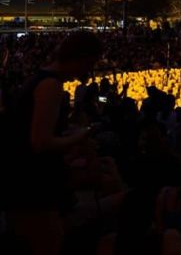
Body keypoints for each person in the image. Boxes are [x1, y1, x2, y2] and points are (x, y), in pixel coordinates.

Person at [3, 31, 103, 255]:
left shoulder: (40, 79)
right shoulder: (51, 86)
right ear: (82, 57)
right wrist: (83, 135)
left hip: (26, 179)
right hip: (32, 185)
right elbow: (41, 142)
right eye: (92, 62)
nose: (90, 69)